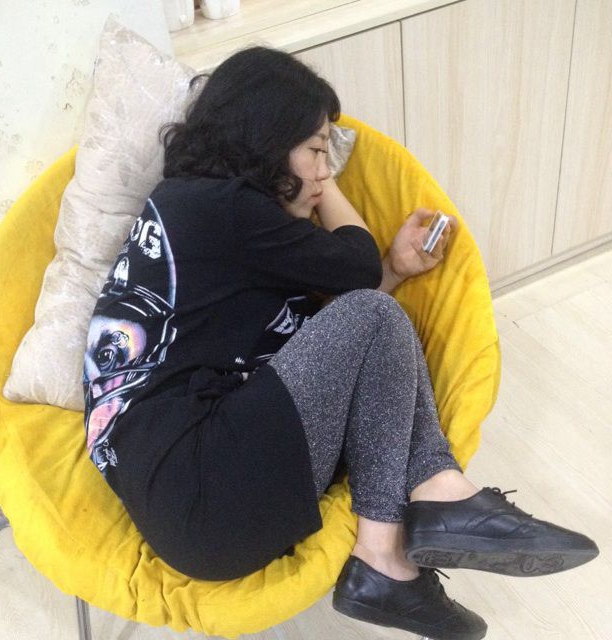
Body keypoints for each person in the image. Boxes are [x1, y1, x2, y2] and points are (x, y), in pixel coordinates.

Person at [82, 46, 598, 640]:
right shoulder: (216, 204)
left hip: (207, 511)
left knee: (377, 322)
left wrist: (395, 268)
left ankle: (418, 529)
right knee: (374, 313)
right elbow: (355, 269)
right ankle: (393, 542)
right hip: (202, 484)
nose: (327, 171)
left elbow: (334, 349)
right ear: (267, 140)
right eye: (317, 149)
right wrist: (321, 192)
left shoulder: (217, 225)